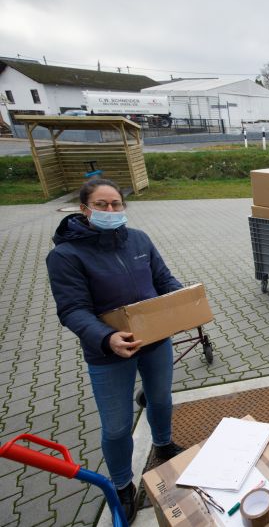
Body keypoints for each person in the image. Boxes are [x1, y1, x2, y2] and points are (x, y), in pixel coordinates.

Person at [45, 179, 185, 524]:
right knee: (117, 426)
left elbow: (163, 279)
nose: (110, 211)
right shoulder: (65, 255)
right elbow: (72, 310)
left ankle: (164, 444)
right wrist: (106, 338)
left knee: (161, 399)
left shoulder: (138, 239)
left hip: (153, 341)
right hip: (108, 352)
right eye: (102, 205)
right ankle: (122, 484)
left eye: (116, 204)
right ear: (84, 210)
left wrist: (182, 303)